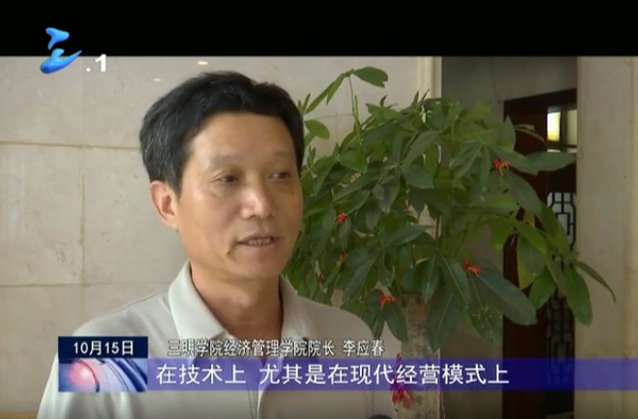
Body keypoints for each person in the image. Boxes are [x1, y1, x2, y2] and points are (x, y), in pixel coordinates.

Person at [37, 71, 397, 419]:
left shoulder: (351, 341)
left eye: (280, 175)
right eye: (227, 179)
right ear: (167, 204)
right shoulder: (100, 359)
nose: (261, 205)